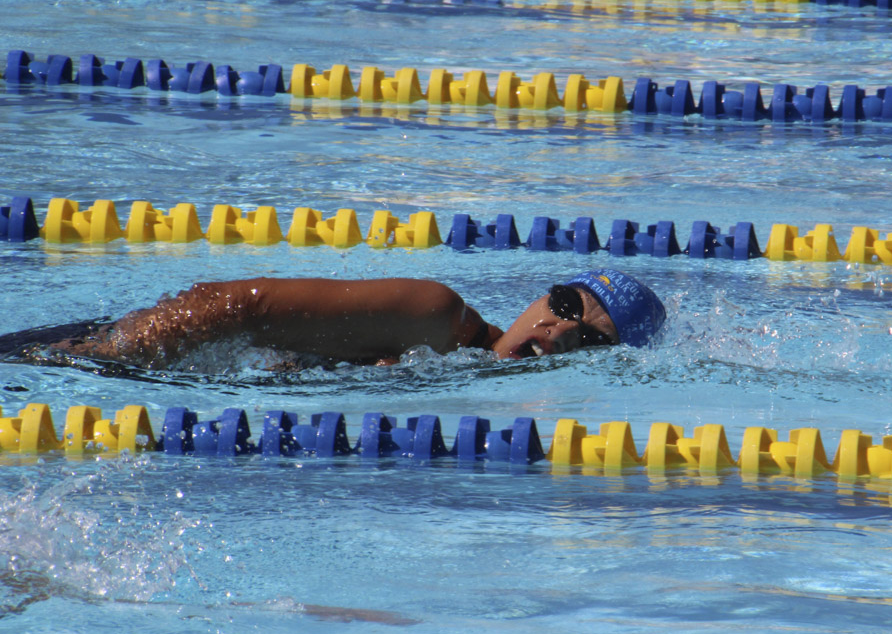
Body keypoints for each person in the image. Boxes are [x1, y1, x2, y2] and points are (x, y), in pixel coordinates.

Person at [2, 268, 665, 369]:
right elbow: (236, 305)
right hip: (86, 357)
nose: (558, 331)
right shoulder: (438, 316)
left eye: (589, 338)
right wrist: (109, 356)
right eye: (566, 305)